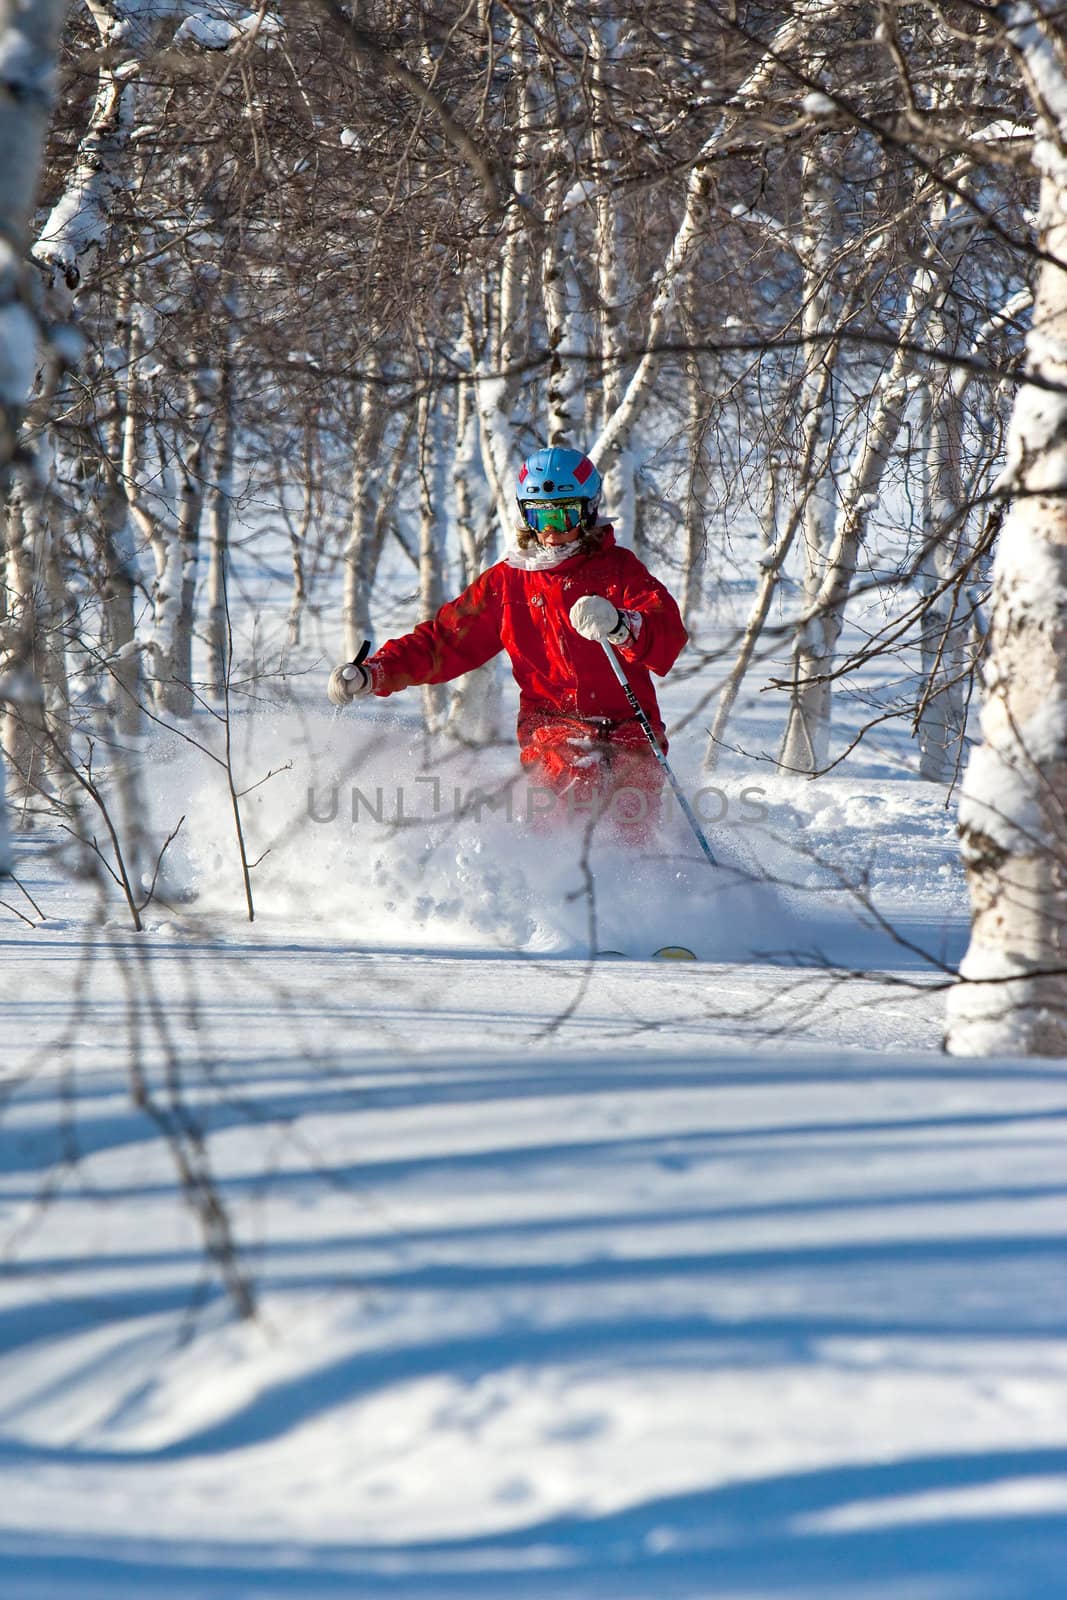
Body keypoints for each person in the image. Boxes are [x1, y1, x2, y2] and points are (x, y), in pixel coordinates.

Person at [328, 446, 688, 836]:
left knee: (632, 827)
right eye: (539, 515)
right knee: (570, 797)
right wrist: (376, 671)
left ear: (587, 512)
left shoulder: (620, 571)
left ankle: (651, 889)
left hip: (630, 729)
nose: (551, 530)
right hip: (553, 728)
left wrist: (622, 625)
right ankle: (557, 884)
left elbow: (667, 634)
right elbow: (444, 642)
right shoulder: (509, 582)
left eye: (563, 515)